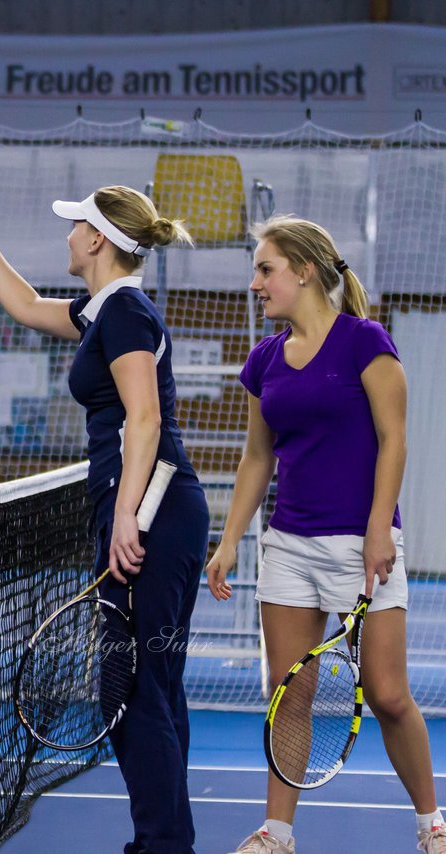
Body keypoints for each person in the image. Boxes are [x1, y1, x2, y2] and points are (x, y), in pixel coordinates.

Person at [0, 162, 210, 854]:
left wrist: (126, 516)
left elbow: (147, 418)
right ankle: (167, 839)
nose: (68, 235)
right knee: (147, 680)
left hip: (149, 510)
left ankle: (162, 844)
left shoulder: (126, 311)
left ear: (98, 240)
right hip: (145, 508)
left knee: (131, 687)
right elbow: (25, 305)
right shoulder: (105, 312)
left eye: (77, 225)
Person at [206, 216, 445, 854]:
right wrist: (231, 540)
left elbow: (394, 440)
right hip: (287, 547)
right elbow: (258, 457)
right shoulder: (263, 360)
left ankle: (432, 823)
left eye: (265, 270)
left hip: (360, 545)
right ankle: (276, 834)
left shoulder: (366, 342)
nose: (255, 283)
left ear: (305, 270)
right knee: (291, 691)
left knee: (390, 695)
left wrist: (378, 529)